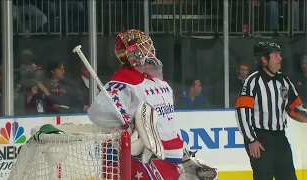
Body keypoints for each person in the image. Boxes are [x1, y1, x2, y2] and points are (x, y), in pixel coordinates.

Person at [87, 29, 218, 180]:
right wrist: (128, 128)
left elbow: (166, 123)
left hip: (171, 156)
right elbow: (98, 112)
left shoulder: (155, 79)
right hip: (148, 158)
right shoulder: (124, 83)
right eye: (145, 46)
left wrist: (184, 156)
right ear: (134, 54)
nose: (151, 48)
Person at [235, 41, 307, 180]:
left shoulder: (284, 81)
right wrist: (251, 140)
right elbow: (242, 111)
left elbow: (294, 109)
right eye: (276, 55)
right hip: (261, 139)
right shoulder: (252, 81)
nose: (280, 58)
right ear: (264, 59)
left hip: (280, 139)